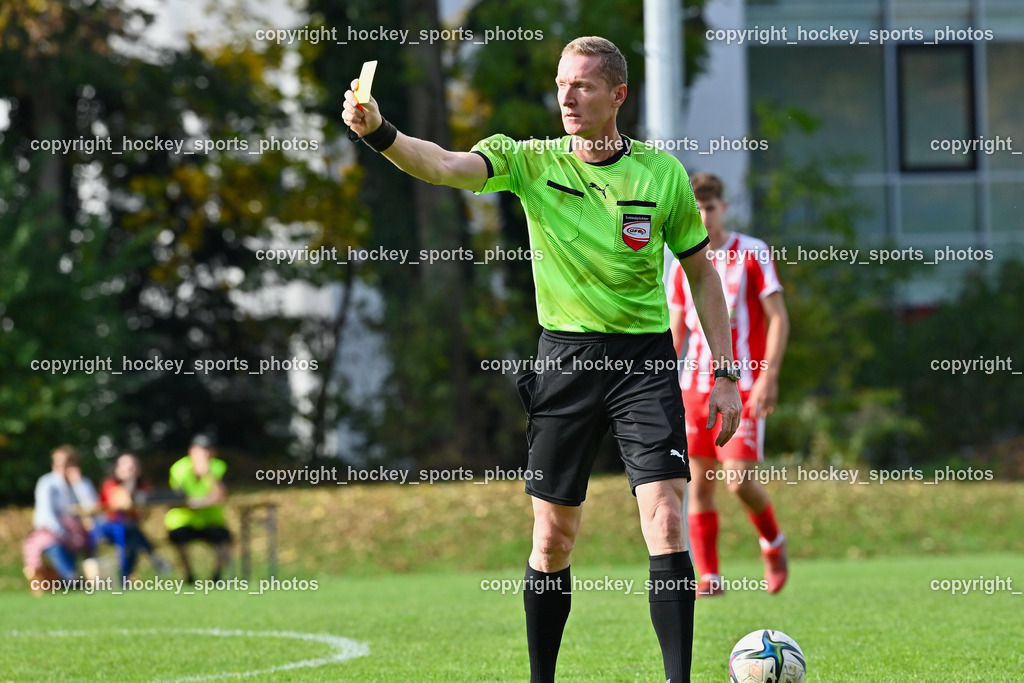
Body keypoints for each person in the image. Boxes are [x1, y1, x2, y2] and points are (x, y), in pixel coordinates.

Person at [343, 36, 742, 682]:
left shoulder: (660, 173)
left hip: (644, 362)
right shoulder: (528, 161)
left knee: (668, 515)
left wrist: (725, 372)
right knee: (553, 539)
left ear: (618, 95)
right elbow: (444, 165)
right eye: (561, 83)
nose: (566, 95)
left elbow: (703, 277)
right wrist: (381, 133)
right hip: (565, 359)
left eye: (582, 85)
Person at [667, 172, 791, 597]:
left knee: (738, 480)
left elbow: (778, 317)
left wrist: (769, 376)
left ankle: (772, 542)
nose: (703, 215)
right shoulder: (680, 260)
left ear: (723, 207)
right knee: (697, 482)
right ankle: (710, 576)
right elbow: (676, 330)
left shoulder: (752, 253)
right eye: (696, 208)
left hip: (743, 382)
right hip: (693, 388)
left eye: (710, 206)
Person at [23, 445, 98, 588]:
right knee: (54, 545)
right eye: (58, 463)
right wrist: (64, 534)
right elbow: (47, 515)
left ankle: (94, 578)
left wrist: (78, 483)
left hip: (77, 533)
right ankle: (71, 578)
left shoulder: (81, 483)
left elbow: (92, 508)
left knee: (92, 539)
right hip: (52, 532)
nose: (61, 467)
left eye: (66, 463)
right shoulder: (47, 483)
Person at [92, 453, 173, 578]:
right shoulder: (110, 484)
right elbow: (121, 504)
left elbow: (145, 512)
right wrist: (130, 482)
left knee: (133, 543)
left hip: (130, 529)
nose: (130, 470)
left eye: (133, 467)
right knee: (131, 532)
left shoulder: (143, 486)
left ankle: (125, 577)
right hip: (108, 528)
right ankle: (153, 556)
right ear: (117, 468)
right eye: (126, 466)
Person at [164, 435, 231, 583]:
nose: (204, 455)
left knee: (224, 539)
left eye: (207, 450)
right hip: (185, 520)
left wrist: (208, 474)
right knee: (179, 538)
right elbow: (178, 498)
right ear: (191, 452)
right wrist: (200, 502)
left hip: (210, 520)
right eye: (201, 451)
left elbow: (220, 495)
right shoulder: (179, 468)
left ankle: (216, 577)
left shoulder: (218, 467)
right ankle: (189, 576)